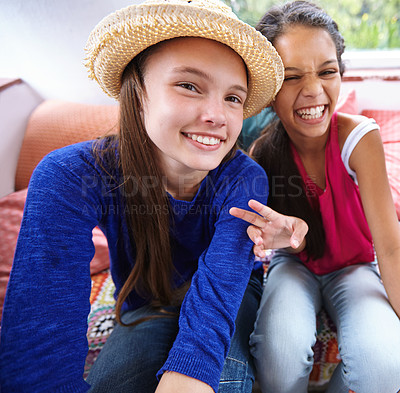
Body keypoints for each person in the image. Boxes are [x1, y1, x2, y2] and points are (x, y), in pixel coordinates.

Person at [0, 1, 308, 392]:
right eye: (189, 86)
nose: (217, 115)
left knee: (222, 378)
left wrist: (191, 375)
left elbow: (218, 292)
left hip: (231, 296)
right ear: (138, 92)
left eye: (233, 98)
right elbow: (41, 332)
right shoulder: (69, 175)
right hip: (146, 304)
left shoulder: (245, 179)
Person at [230, 1, 400, 392]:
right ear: (270, 90)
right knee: (277, 357)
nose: (313, 91)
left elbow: (389, 248)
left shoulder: (360, 139)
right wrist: (282, 236)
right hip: (295, 265)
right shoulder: (262, 155)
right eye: (292, 77)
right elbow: (288, 237)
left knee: (385, 368)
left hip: (357, 267)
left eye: (327, 72)